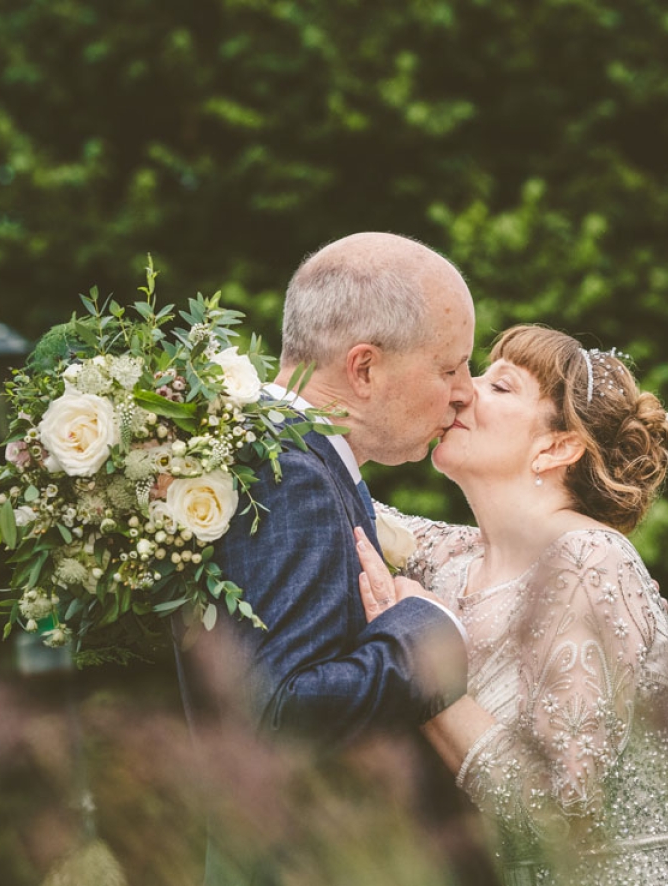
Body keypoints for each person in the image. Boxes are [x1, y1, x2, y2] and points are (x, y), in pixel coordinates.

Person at [175, 232, 487, 884]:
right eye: (450, 368)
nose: (465, 394)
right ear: (364, 368)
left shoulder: (283, 455)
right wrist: (427, 631)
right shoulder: (292, 471)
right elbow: (278, 714)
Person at [357, 325, 668, 885]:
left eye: (499, 386)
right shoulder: (455, 559)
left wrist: (423, 666)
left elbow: (562, 813)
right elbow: (340, 505)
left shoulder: (591, 560)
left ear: (557, 446)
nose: (461, 391)